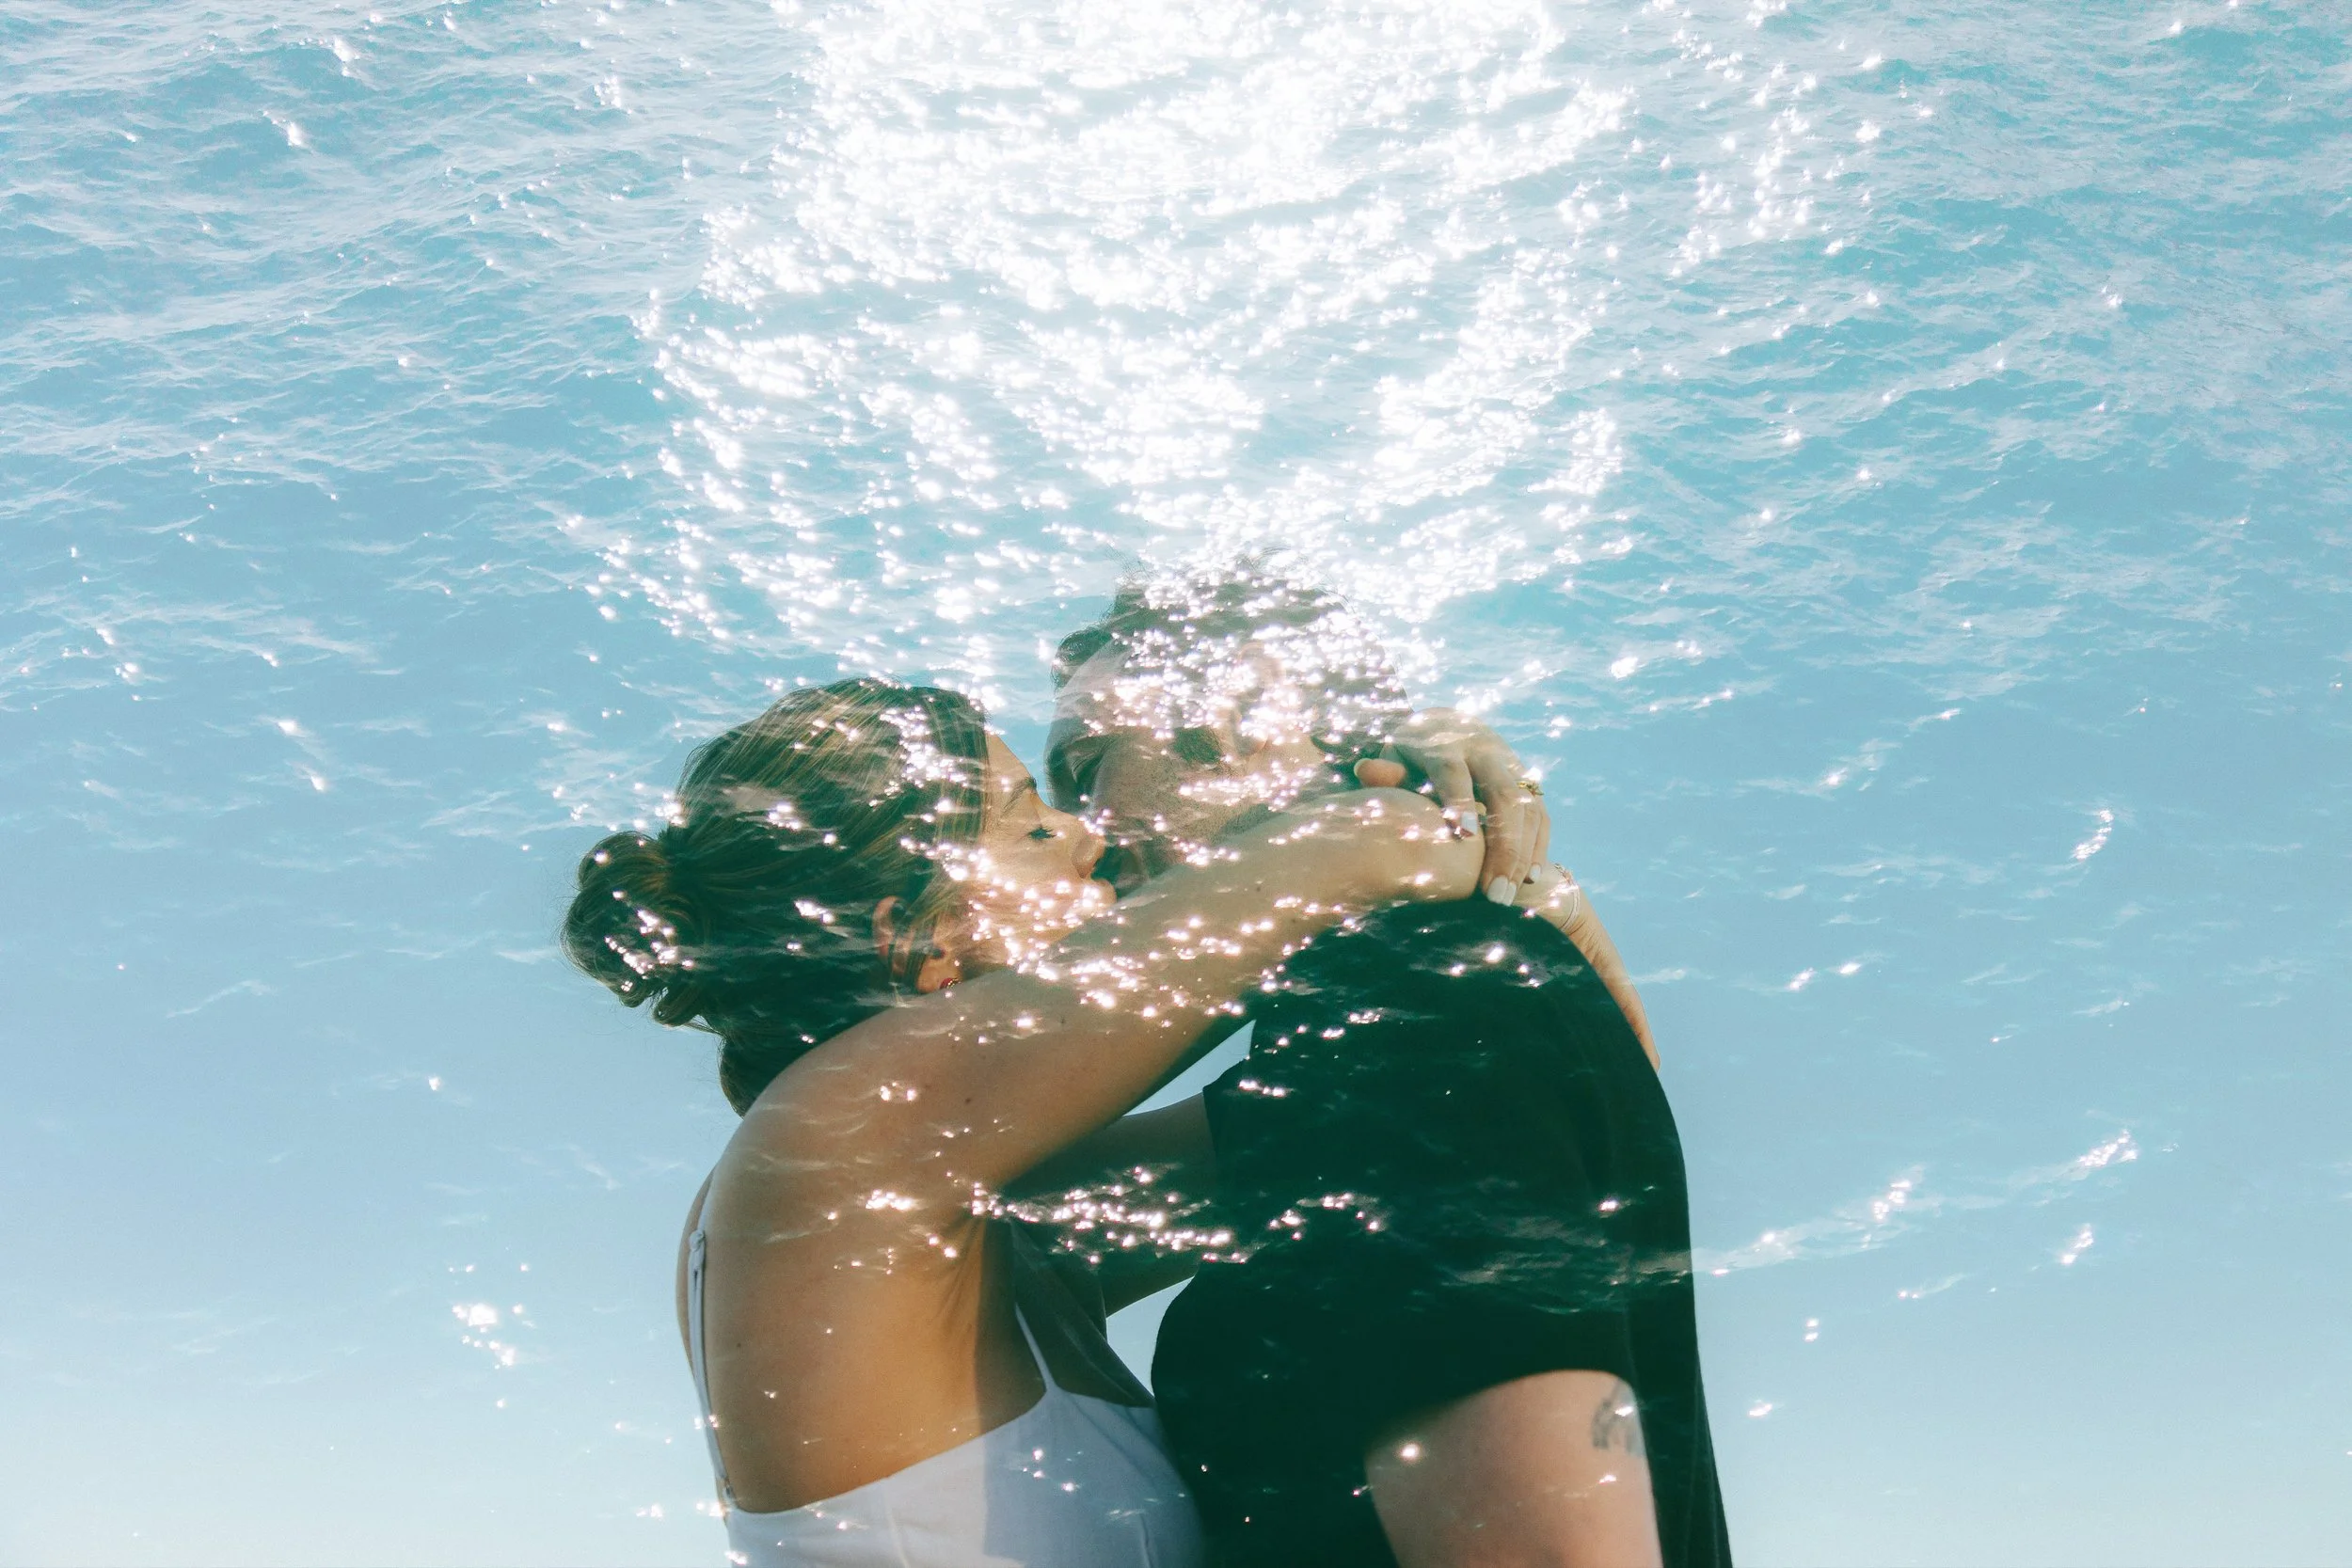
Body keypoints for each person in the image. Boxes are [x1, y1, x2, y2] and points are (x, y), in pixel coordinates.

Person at [561, 675, 1495, 1568]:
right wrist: (1418, 768)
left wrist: (1542, 908)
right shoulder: (838, 1136)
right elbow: (1362, 849)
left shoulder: (979, 1212)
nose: (1084, 836)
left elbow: (1409, 1109)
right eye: (1030, 822)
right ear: (917, 937)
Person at [1036, 570, 1733, 1568]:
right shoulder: (1379, 1023)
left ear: (1237, 716)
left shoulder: (1416, 1001)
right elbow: (1007, 1232)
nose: (1081, 831)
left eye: (1087, 764)